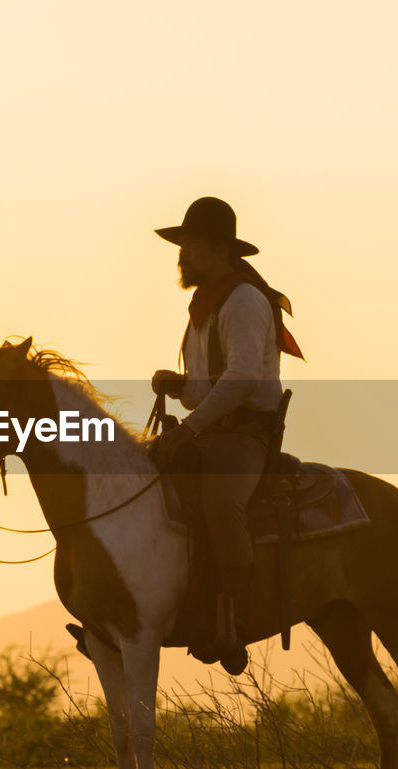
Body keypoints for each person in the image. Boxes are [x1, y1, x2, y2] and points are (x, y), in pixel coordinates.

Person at [149, 197, 302, 672]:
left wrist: (189, 426)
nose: (183, 254)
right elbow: (208, 389)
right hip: (213, 434)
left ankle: (239, 617)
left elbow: (241, 382)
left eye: (192, 245)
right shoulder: (205, 305)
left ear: (220, 249)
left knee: (221, 503)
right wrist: (181, 388)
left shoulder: (244, 301)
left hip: (244, 437)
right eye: (183, 245)